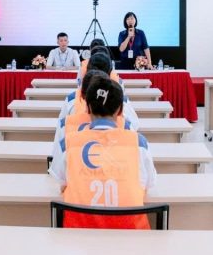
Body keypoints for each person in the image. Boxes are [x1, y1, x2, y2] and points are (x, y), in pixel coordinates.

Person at [50, 76, 157, 229]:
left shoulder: (67, 144)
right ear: (120, 110)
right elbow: (148, 184)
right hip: (131, 235)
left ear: (87, 107)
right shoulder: (139, 144)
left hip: (78, 235)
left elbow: (61, 184)